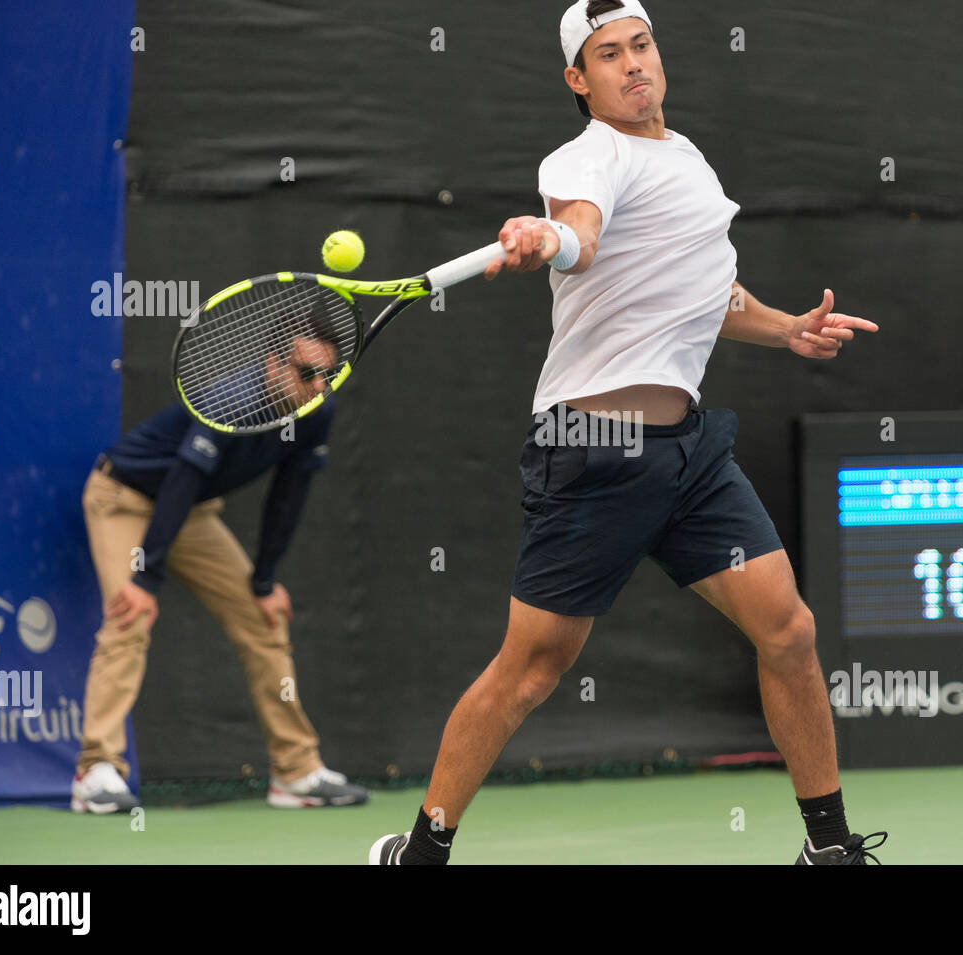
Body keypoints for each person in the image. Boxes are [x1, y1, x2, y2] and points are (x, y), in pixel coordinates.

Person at [371, 0, 882, 865]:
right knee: (531, 669)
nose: (634, 64)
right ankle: (421, 851)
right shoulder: (586, 154)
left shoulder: (685, 159)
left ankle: (828, 851)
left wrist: (788, 327)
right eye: (609, 55)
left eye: (641, 45)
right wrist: (552, 240)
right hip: (593, 453)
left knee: (789, 631)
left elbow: (706, 296)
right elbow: (583, 234)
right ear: (580, 79)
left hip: (690, 459)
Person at [72, 311, 369, 812]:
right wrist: (145, 577)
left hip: (187, 513)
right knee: (130, 616)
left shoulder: (317, 410)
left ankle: (295, 772)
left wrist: (264, 579)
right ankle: (96, 772)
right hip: (123, 497)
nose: (318, 385)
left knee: (263, 618)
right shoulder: (230, 401)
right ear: (273, 364)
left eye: (328, 374)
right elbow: (182, 481)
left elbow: (288, 497)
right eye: (305, 373)